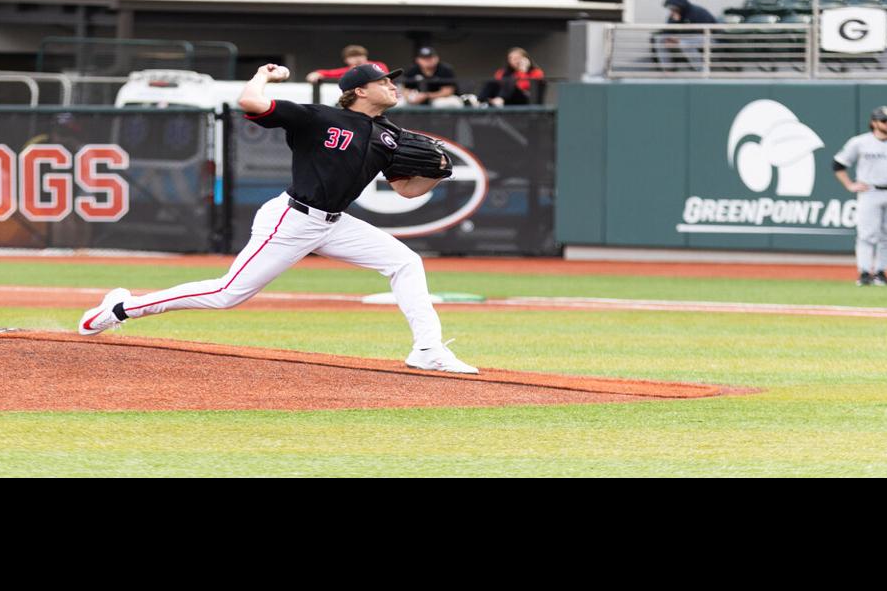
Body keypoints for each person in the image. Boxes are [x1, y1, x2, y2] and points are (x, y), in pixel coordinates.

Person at [77, 62, 479, 374]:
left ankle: (427, 350)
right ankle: (122, 309)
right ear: (359, 90)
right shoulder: (318, 117)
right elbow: (251, 104)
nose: (393, 85)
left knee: (405, 261)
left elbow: (406, 190)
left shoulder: (389, 135)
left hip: (334, 223)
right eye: (384, 81)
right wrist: (262, 75)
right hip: (292, 220)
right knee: (227, 294)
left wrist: (435, 175)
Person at [833, 105, 887, 286]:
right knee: (867, 234)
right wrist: (849, 184)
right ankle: (865, 272)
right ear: (874, 122)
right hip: (870, 191)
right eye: (884, 120)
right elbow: (838, 164)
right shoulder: (860, 142)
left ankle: (881, 272)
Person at [655, 0, 718, 71]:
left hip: (709, 37)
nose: (672, 9)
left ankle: (702, 71)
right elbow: (666, 32)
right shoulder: (673, 15)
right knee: (660, 39)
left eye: (674, 7)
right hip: (685, 38)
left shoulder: (696, 12)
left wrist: (679, 39)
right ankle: (668, 69)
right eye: (670, 8)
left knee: (685, 43)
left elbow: (706, 30)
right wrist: (675, 22)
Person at [478, 47, 544, 106]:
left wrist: (522, 71)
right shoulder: (503, 72)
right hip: (505, 99)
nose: (514, 60)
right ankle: (479, 101)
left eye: (517, 58)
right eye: (511, 58)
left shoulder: (536, 72)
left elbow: (524, 86)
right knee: (492, 83)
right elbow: (496, 86)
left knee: (510, 82)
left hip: (523, 99)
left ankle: (500, 99)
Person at [305, 45, 389, 84]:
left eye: (360, 55)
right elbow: (329, 73)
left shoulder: (378, 65)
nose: (357, 59)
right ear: (346, 60)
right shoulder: (349, 71)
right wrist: (317, 73)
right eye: (353, 56)